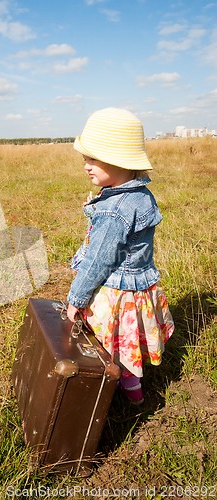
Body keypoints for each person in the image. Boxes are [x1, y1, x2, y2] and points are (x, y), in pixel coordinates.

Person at [66, 107, 174, 404]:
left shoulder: (115, 210)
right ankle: (135, 387)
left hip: (115, 292)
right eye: (85, 159)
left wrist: (75, 300)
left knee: (113, 344)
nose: (86, 166)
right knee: (129, 342)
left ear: (117, 160)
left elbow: (99, 260)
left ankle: (123, 390)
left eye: (92, 159)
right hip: (137, 288)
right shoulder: (139, 195)